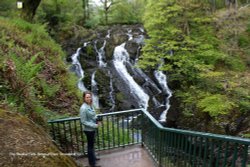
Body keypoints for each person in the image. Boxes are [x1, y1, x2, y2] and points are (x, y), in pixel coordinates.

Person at [80, 91, 101, 167]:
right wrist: (95, 125)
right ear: (84, 98)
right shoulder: (83, 108)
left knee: (92, 145)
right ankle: (92, 163)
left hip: (92, 129)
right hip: (88, 130)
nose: (89, 98)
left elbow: (92, 115)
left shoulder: (90, 105)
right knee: (90, 146)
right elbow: (83, 121)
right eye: (87, 97)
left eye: (89, 97)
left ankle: (94, 158)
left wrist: (97, 118)